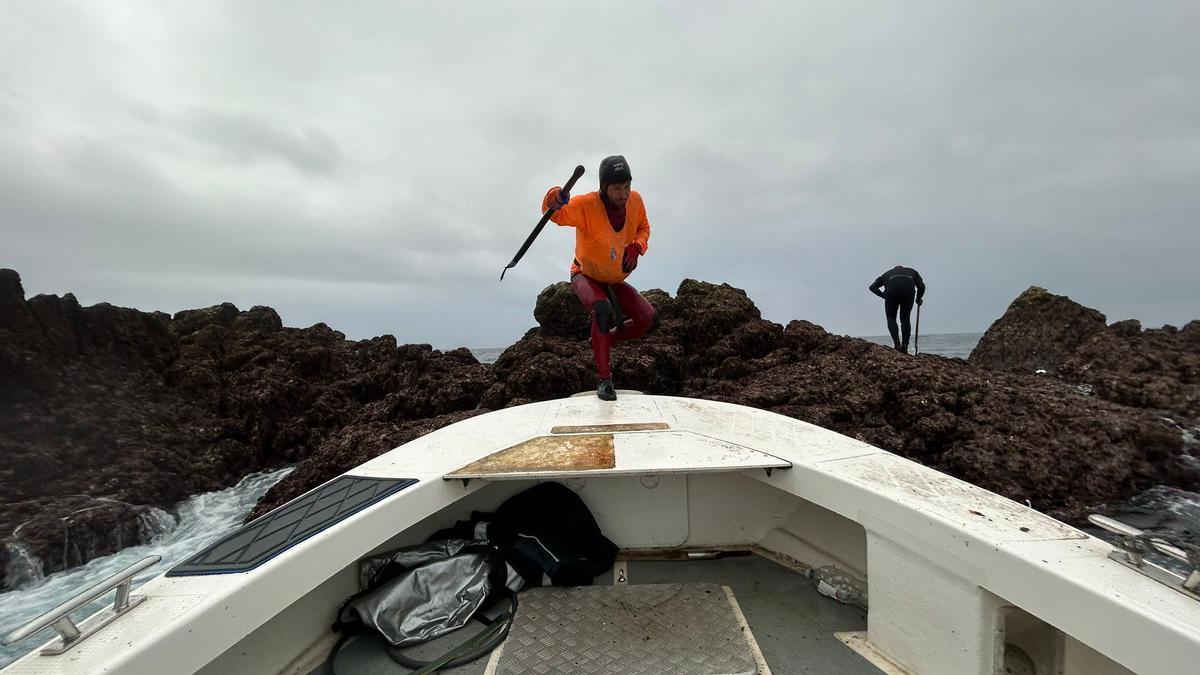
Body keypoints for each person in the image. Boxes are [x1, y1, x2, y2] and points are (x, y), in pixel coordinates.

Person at [543, 155, 658, 401]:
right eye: (616, 189)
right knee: (602, 311)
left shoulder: (635, 201)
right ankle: (604, 379)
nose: (623, 194)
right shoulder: (587, 206)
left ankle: (601, 341)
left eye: (626, 187)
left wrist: (637, 246)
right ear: (604, 188)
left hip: (614, 279)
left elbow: (644, 228)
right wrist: (554, 196)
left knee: (649, 320)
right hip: (585, 274)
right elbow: (555, 214)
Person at [869, 266, 925, 354]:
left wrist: (884, 296)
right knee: (905, 318)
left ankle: (897, 345)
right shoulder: (912, 271)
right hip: (908, 290)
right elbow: (921, 286)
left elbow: (872, 287)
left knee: (891, 317)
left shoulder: (886, 274)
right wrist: (918, 299)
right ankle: (905, 346)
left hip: (891, 290)